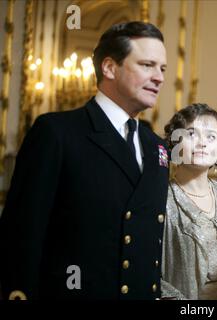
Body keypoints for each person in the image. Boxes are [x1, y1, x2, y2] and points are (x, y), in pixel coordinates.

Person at [0, 21, 169, 300]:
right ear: (109, 68)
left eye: (162, 69)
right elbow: (21, 234)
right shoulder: (57, 133)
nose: (159, 77)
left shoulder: (157, 147)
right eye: (147, 65)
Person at [162, 103, 217, 300]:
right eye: (192, 134)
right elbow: (148, 269)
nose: (203, 143)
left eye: (211, 136)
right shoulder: (162, 199)